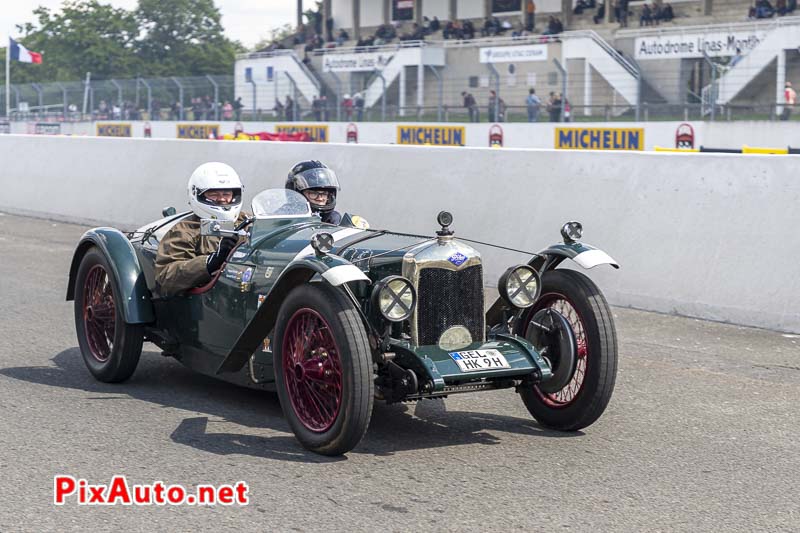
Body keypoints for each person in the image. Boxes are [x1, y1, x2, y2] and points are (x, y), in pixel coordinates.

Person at [155, 163, 248, 297]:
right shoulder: (184, 231)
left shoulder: (249, 221)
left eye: (226, 193)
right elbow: (166, 278)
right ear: (197, 194)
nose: (222, 199)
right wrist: (210, 262)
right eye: (214, 194)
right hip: (213, 300)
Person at [285, 160, 342, 225]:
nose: (320, 198)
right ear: (296, 194)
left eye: (324, 193)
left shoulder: (335, 220)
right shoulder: (283, 217)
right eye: (314, 193)